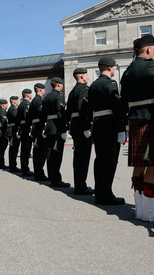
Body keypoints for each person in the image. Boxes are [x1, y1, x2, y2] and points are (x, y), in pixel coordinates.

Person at [121, 34, 154, 221]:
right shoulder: (151, 67)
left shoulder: (127, 72)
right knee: (153, 165)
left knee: (140, 164)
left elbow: (123, 99)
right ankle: (150, 213)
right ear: (149, 49)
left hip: (134, 119)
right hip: (150, 118)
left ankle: (140, 210)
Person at [88, 57, 126, 205]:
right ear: (110, 67)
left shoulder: (93, 84)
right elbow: (116, 107)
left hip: (97, 125)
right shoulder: (110, 83)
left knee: (100, 160)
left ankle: (100, 192)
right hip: (109, 126)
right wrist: (121, 129)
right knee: (110, 161)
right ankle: (106, 195)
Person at [66, 68, 94, 195]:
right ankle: (81, 186)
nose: (88, 78)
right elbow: (83, 109)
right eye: (87, 75)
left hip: (75, 126)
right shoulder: (83, 89)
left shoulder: (73, 91)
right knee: (83, 158)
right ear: (82, 76)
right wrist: (87, 126)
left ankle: (79, 185)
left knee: (78, 158)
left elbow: (68, 112)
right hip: (82, 127)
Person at [40, 77, 70, 188]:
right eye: (61, 84)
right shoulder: (59, 96)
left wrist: (43, 128)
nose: (62, 86)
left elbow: (43, 114)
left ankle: (52, 178)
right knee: (57, 155)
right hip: (57, 128)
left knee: (50, 154)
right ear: (58, 84)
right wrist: (64, 129)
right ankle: (56, 179)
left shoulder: (47, 97)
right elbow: (60, 113)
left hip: (49, 127)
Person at [30, 83, 48, 181]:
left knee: (37, 152)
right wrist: (43, 129)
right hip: (39, 128)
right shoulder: (38, 100)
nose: (45, 91)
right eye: (44, 89)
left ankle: (38, 173)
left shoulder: (34, 100)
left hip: (35, 128)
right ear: (40, 90)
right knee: (41, 153)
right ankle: (39, 173)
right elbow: (41, 115)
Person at [16, 89, 33, 177]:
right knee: (26, 150)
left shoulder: (21, 104)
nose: (31, 95)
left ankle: (24, 169)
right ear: (27, 95)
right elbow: (27, 117)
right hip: (26, 129)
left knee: (24, 150)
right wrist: (30, 127)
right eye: (30, 94)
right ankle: (25, 170)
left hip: (23, 128)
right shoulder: (26, 104)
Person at [6, 96, 21, 173]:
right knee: (13, 150)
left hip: (12, 130)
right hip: (13, 131)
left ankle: (13, 166)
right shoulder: (13, 109)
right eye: (17, 101)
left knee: (14, 149)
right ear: (14, 102)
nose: (18, 102)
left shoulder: (12, 108)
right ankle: (13, 166)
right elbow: (16, 118)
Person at [0, 98, 8, 169]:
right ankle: (0, 163)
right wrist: (5, 132)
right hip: (2, 133)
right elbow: (4, 122)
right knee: (1, 149)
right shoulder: (2, 111)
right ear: (3, 105)